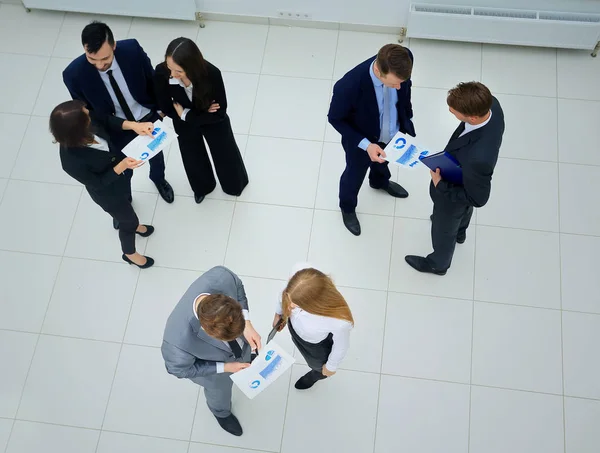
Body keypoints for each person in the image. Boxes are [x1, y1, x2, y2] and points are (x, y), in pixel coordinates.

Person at [62, 21, 175, 206]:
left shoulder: (132, 50)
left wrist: (161, 110)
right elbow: (87, 113)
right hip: (114, 127)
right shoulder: (73, 74)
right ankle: (126, 198)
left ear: (114, 45)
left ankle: (158, 180)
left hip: (146, 117)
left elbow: (153, 80)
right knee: (123, 169)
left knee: (156, 155)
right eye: (92, 59)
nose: (100, 65)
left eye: (105, 59)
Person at [405, 82, 505, 275]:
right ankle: (460, 232)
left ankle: (438, 264)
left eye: (454, 111)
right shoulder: (493, 106)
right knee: (463, 212)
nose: (451, 111)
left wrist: (440, 185)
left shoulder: (479, 159)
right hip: (465, 174)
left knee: (443, 230)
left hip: (454, 192)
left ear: (473, 118)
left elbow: (478, 199)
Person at [51, 100, 155, 269]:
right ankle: (130, 254)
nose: (90, 114)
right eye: (86, 115)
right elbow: (97, 183)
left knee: (128, 202)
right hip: (108, 194)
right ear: (78, 127)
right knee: (127, 221)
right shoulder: (71, 161)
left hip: (121, 177)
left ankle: (135, 225)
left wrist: (133, 126)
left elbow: (106, 120)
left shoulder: (87, 121)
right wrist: (120, 167)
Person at [161, 266, 261, 436]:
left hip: (237, 352)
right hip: (216, 371)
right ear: (206, 331)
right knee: (219, 393)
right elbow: (177, 370)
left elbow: (238, 287)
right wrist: (225, 368)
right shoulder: (176, 344)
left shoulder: (221, 277)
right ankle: (221, 413)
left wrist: (248, 323)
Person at [328, 44, 416, 236]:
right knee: (354, 174)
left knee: (384, 161)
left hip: (391, 133)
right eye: (394, 83)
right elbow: (335, 118)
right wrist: (367, 145)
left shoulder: (404, 58)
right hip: (363, 141)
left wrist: (405, 117)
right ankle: (347, 207)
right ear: (378, 70)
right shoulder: (348, 86)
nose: (399, 87)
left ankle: (379, 182)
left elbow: (404, 91)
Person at [153, 37, 248, 203]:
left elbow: (219, 112)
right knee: (192, 155)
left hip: (210, 121)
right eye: (170, 68)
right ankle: (202, 187)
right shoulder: (162, 72)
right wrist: (190, 115)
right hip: (186, 120)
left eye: (179, 71)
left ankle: (234, 185)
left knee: (225, 153)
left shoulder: (212, 74)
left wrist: (186, 115)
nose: (173, 74)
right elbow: (166, 106)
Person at [272, 264, 354, 390]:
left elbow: (341, 346)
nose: (290, 306)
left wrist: (331, 367)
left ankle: (314, 375)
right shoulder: (300, 276)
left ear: (314, 304)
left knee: (317, 366)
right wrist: (279, 313)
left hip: (316, 346)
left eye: (296, 304)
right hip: (297, 332)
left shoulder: (338, 321)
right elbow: (283, 294)